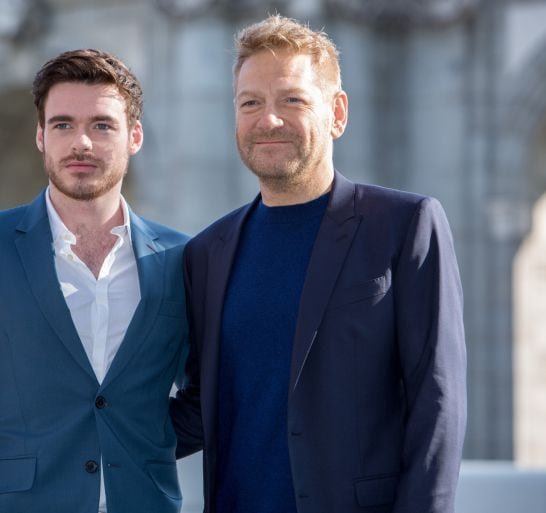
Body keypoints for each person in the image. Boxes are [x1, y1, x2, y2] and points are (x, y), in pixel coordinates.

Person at [171, 14, 467, 513]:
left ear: (337, 113)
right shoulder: (206, 252)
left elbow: (437, 403)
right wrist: (81, 426)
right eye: (251, 103)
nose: (268, 120)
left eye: (292, 99)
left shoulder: (405, 224)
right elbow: (203, 408)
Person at [0, 49, 189, 513]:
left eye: (102, 125)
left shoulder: (179, 256)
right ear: (41, 136)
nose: (81, 142)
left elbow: (210, 391)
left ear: (134, 136)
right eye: (62, 125)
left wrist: (140, 440)